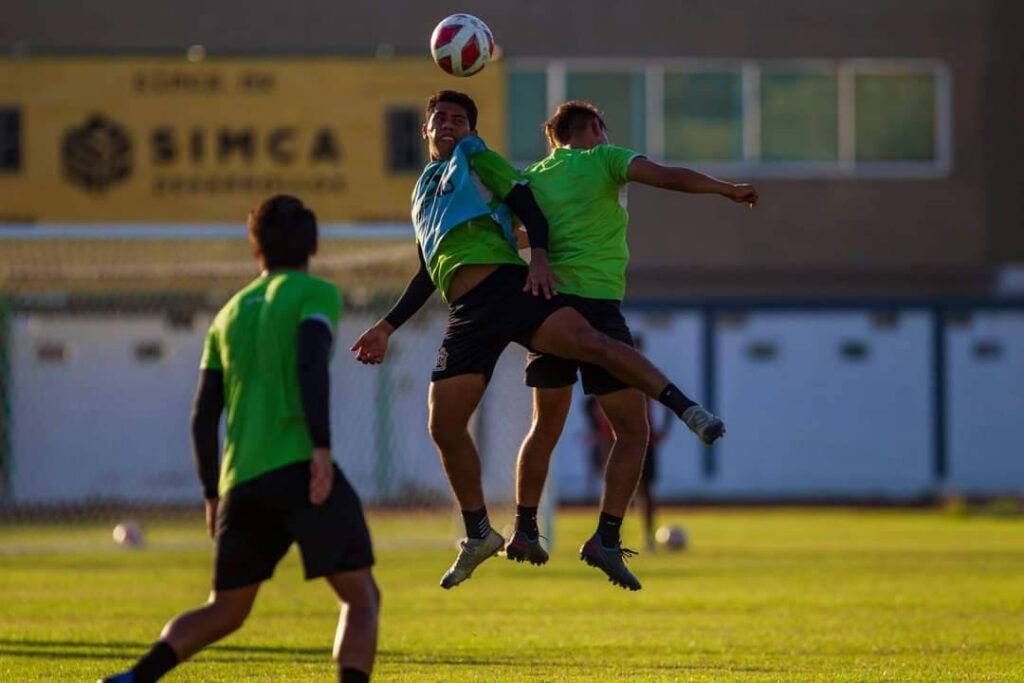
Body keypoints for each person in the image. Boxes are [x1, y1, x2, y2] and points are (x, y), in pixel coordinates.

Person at [350, 91, 725, 592]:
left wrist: (540, 259)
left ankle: (685, 409)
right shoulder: (423, 189)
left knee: (589, 350)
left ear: (472, 129)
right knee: (446, 424)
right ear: (424, 130)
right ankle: (483, 532)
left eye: (459, 118)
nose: (448, 124)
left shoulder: (480, 158)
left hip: (510, 290)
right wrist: (386, 326)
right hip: (467, 312)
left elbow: (526, 205)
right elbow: (427, 268)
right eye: (439, 118)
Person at [101, 196, 379, 683]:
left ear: (256, 249)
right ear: (313, 243)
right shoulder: (315, 294)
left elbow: (202, 415)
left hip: (241, 483)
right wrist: (320, 447)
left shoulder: (226, 316)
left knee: (225, 610)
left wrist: (212, 492)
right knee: (361, 597)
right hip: (299, 468)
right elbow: (310, 364)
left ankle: (134, 677)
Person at [505, 101, 758, 590]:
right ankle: (606, 536)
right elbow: (667, 177)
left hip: (548, 306)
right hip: (597, 306)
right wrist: (723, 189)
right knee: (633, 433)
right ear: (595, 129)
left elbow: (516, 234)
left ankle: (524, 527)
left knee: (544, 427)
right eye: (603, 128)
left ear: (553, 138)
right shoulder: (605, 157)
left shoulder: (533, 175)